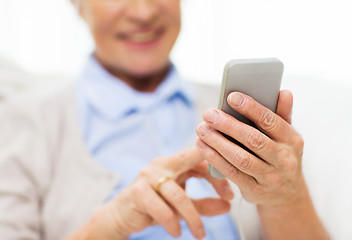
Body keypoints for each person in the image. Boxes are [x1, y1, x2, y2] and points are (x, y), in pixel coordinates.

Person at [0, 0, 330, 239]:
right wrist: (112, 223)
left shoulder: (238, 107)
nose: (143, 12)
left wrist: (287, 196)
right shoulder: (26, 121)